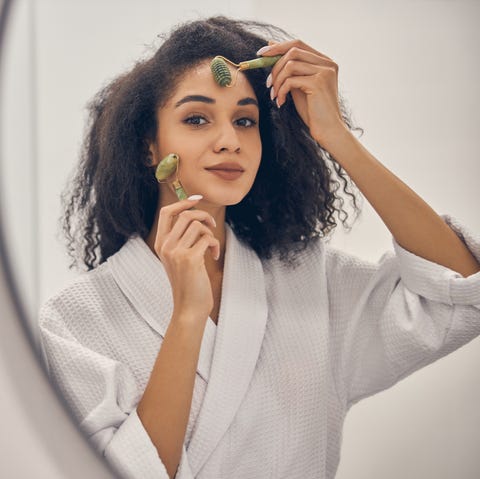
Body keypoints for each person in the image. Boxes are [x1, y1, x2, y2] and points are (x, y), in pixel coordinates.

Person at [38, 16, 480, 479]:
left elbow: (457, 294)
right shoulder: (75, 321)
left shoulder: (310, 281)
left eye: (245, 121)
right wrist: (188, 315)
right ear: (151, 147)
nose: (230, 141)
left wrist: (337, 137)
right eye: (196, 119)